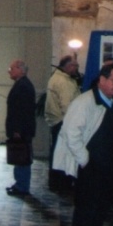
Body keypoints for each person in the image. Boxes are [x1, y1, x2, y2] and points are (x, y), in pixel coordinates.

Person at [54, 63, 113, 226]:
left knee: (97, 216)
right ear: (101, 80)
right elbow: (71, 133)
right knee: (84, 217)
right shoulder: (85, 102)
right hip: (90, 170)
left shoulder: (109, 103)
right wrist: (86, 161)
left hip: (104, 170)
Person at [45, 55, 81, 191]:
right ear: (68, 66)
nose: (77, 68)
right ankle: (61, 184)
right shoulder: (63, 82)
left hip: (57, 121)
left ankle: (56, 183)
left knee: (56, 153)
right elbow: (67, 106)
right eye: (75, 66)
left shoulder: (59, 77)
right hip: (63, 122)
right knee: (62, 154)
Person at [4, 59, 37, 197]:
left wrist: (17, 130)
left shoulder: (23, 86)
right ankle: (20, 184)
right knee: (20, 157)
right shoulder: (22, 84)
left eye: (12, 68)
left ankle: (22, 186)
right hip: (22, 128)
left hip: (22, 129)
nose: (9, 71)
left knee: (22, 157)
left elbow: (22, 111)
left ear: (20, 70)